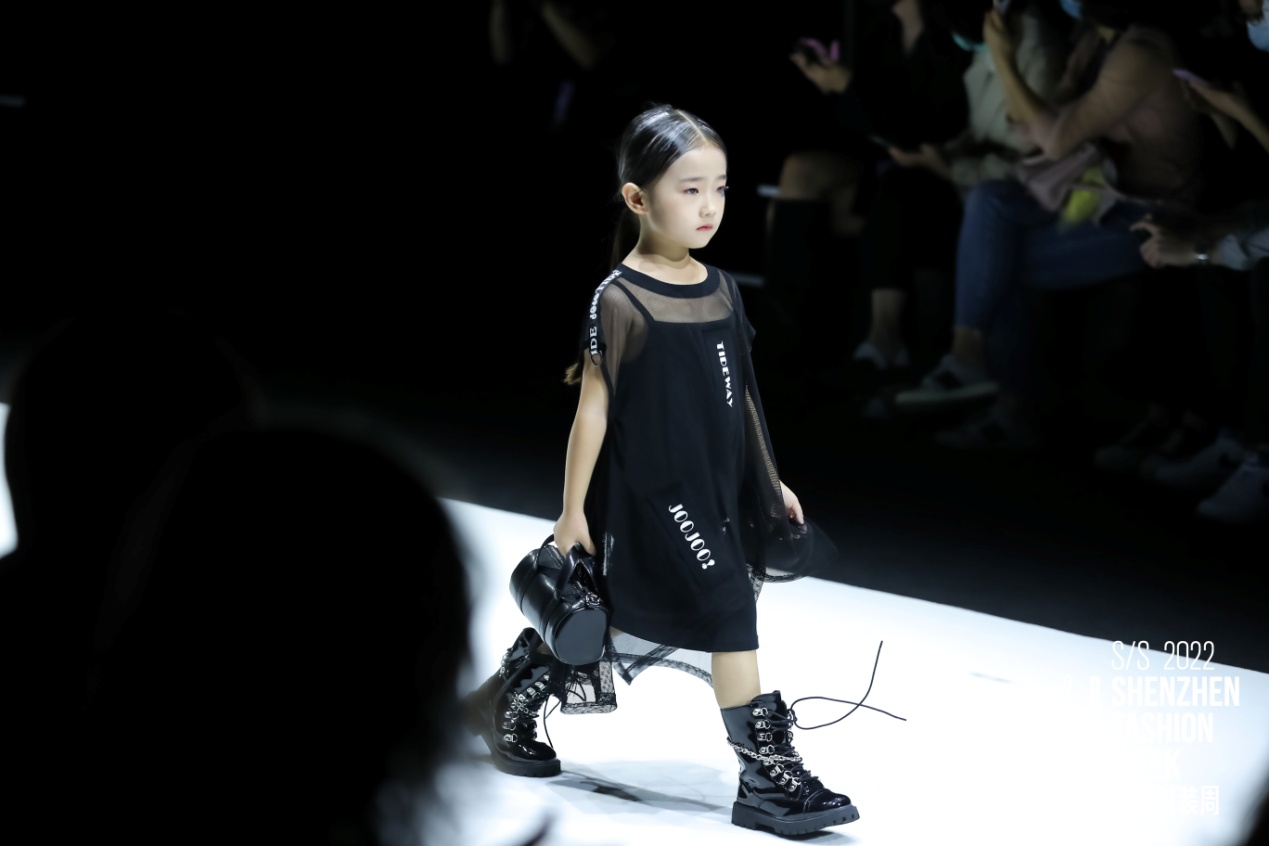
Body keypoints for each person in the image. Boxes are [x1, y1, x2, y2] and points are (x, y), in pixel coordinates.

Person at [464, 105, 865, 838]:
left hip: (713, 489)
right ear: (637, 197)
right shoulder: (619, 298)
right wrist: (571, 512)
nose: (710, 205)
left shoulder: (721, 287)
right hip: (649, 494)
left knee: (623, 616)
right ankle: (766, 779)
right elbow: (591, 412)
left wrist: (768, 478)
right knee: (725, 611)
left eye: (720, 188)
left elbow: (739, 395)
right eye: (690, 189)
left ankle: (507, 698)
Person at [892, 0, 1210, 449]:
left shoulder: (1140, 53)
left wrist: (1003, 58)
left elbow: (1055, 139)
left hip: (1148, 216)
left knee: (998, 260)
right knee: (991, 199)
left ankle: (1009, 407)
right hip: (1093, 195)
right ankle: (968, 356)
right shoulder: (1092, 43)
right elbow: (1030, 129)